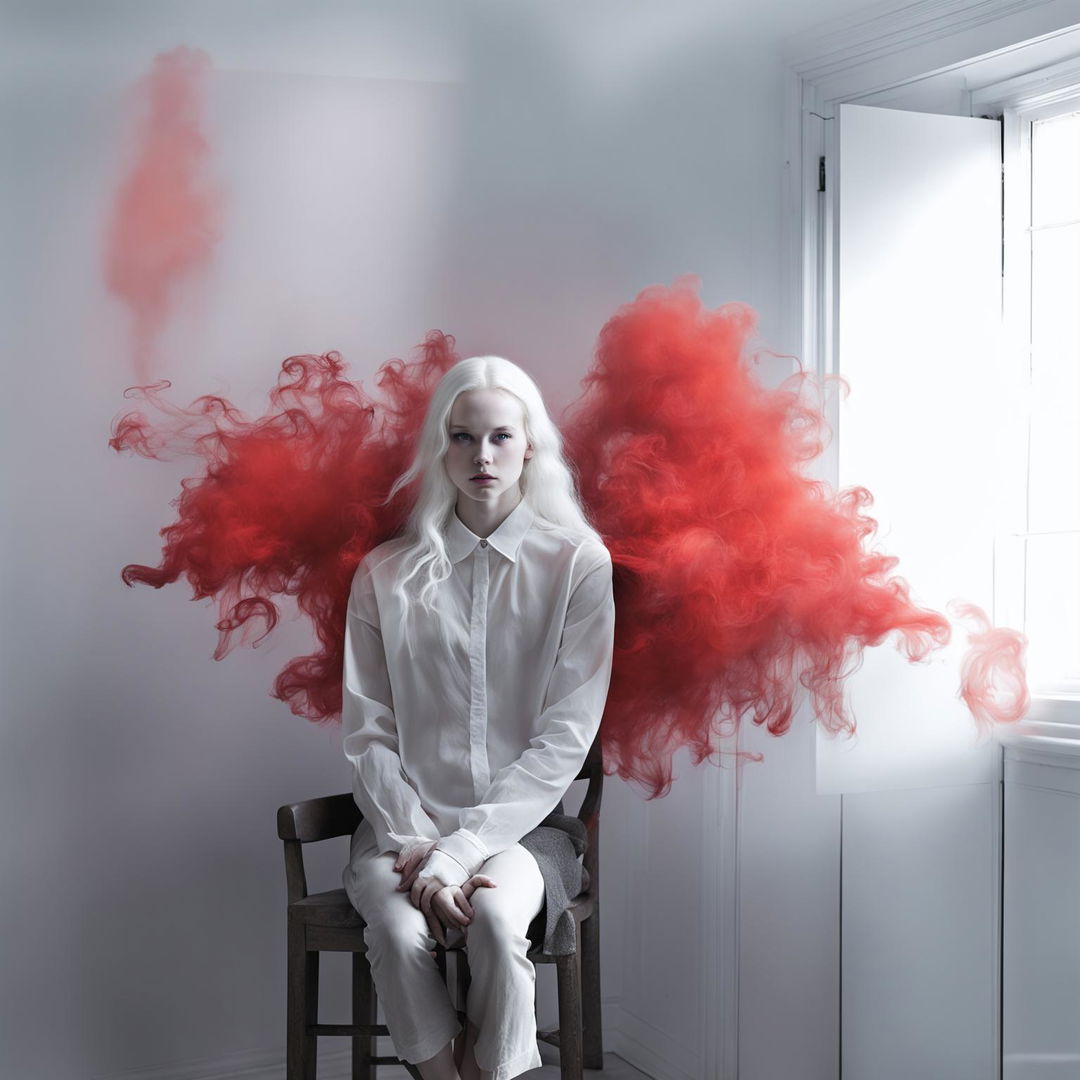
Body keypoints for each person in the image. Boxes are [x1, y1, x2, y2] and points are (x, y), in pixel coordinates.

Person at [340, 355, 616, 1080]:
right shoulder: (384, 575)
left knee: (496, 921)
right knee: (398, 931)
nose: (482, 456)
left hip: (525, 832)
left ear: (530, 445)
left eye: (500, 436)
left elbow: (566, 735)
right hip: (404, 827)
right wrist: (417, 840)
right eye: (462, 437)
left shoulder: (579, 564)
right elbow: (368, 731)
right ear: (441, 447)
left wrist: (460, 854)